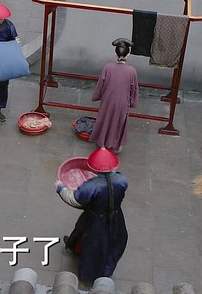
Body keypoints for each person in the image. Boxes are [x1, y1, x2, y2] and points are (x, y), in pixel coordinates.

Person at [55, 147, 128, 285]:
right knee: (112, 243)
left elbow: (74, 199)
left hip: (95, 220)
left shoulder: (92, 186)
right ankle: (106, 269)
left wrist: (61, 188)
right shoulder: (121, 180)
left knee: (93, 245)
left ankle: (90, 274)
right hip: (116, 216)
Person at [90, 38, 138, 153]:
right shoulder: (132, 71)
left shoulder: (108, 67)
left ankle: (102, 143)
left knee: (105, 118)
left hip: (108, 99)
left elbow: (101, 84)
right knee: (118, 121)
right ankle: (115, 145)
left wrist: (98, 96)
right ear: (128, 54)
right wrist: (132, 102)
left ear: (115, 53)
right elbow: (134, 89)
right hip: (122, 102)